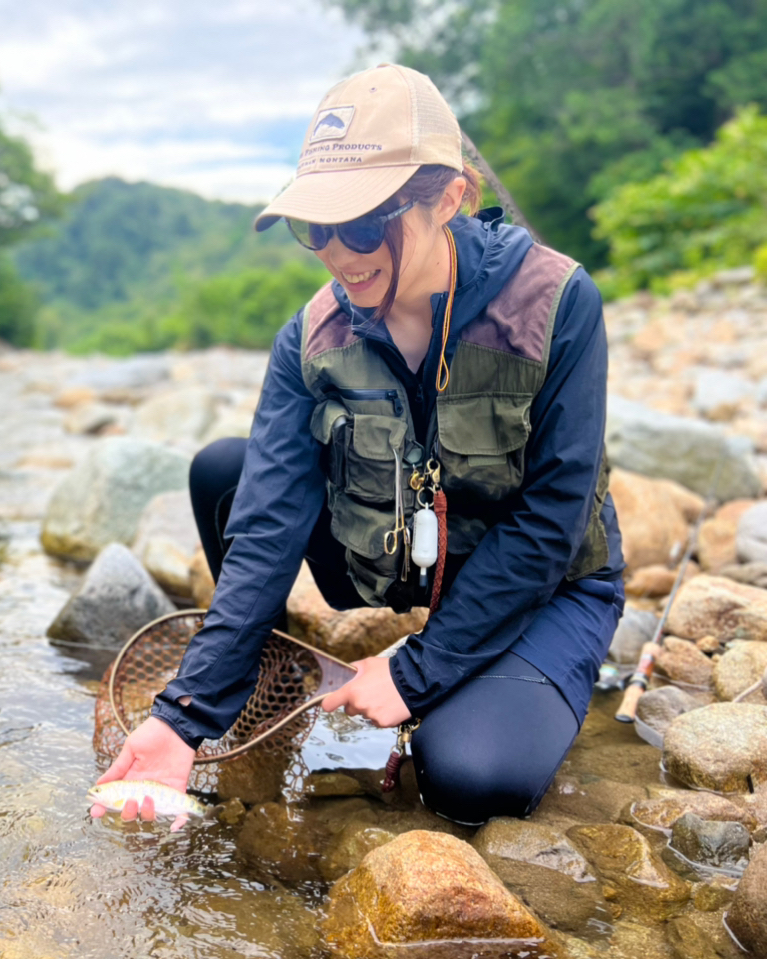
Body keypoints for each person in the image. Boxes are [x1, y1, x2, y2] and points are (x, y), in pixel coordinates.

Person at [90, 63, 625, 828]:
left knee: (470, 779)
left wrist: (416, 669)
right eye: (317, 227)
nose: (341, 253)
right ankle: (259, 670)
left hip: (546, 582)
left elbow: (551, 523)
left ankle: (489, 672)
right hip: (395, 562)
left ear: (447, 197)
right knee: (226, 472)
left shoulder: (557, 305)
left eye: (367, 223)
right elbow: (271, 520)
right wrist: (184, 714)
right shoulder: (309, 338)